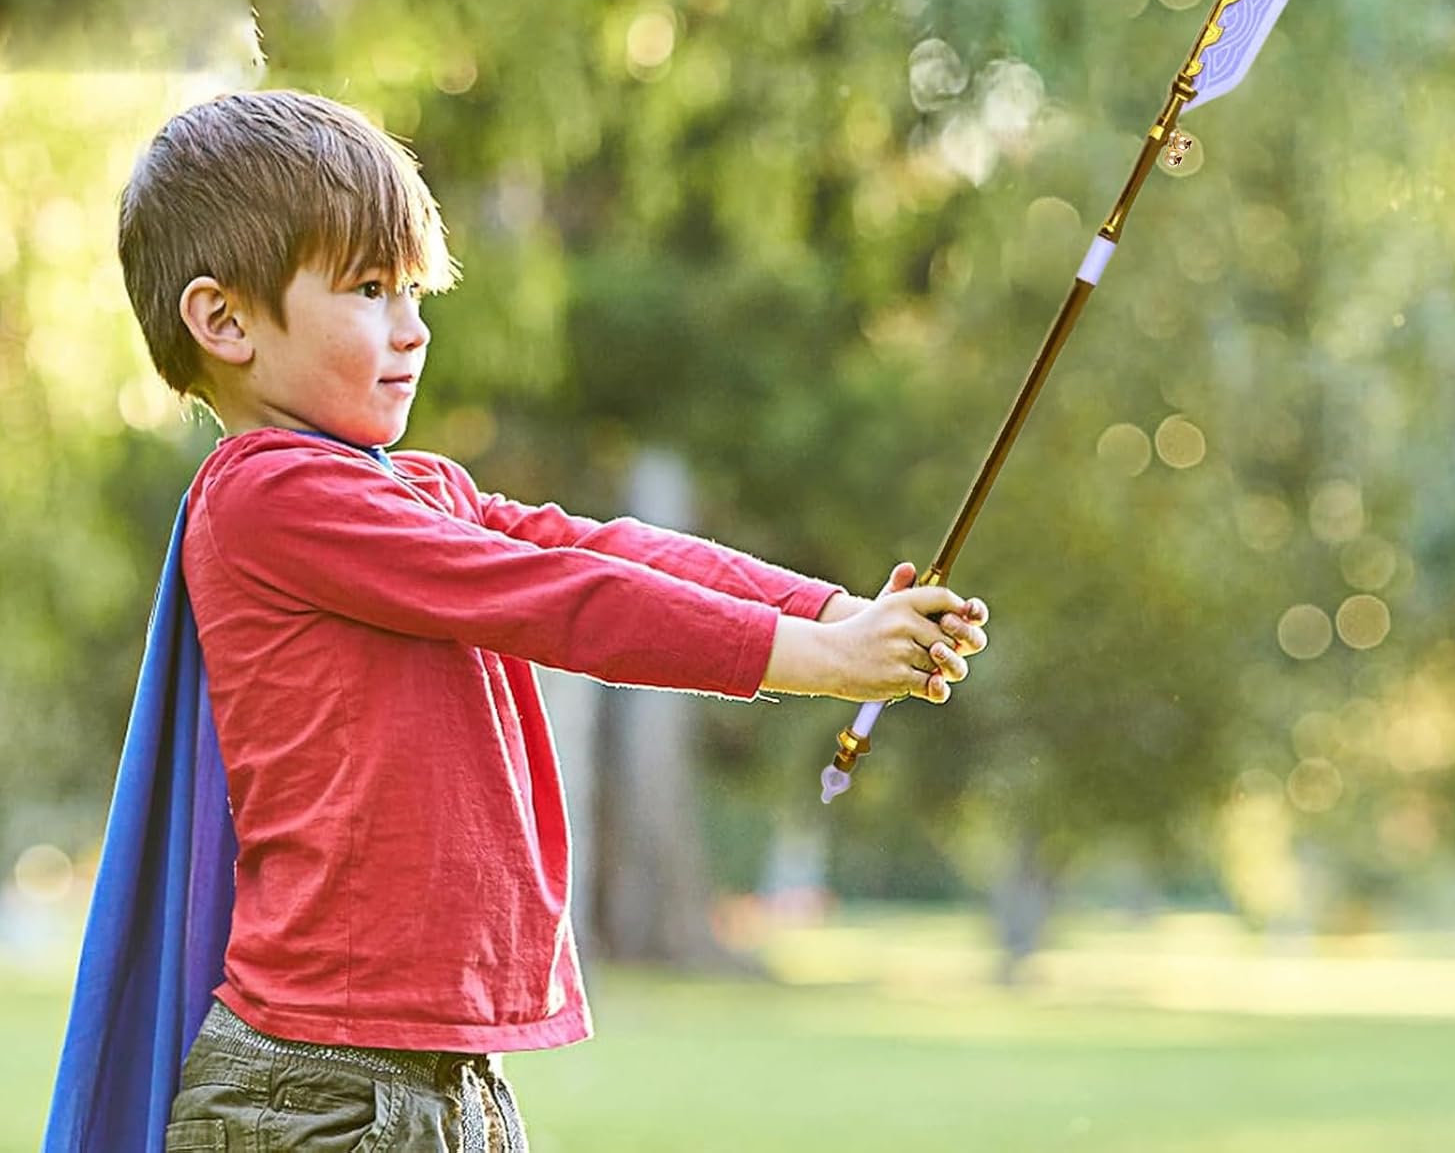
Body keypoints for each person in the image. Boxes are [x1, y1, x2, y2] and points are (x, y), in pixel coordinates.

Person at [47, 89, 988, 1152]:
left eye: (412, 290)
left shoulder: (417, 491)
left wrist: (832, 608)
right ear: (224, 322)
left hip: (441, 1083)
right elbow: (556, 599)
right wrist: (819, 658)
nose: (413, 329)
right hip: (321, 1094)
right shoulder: (270, 496)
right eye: (368, 290)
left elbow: (604, 550)